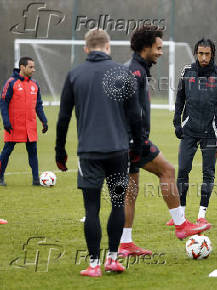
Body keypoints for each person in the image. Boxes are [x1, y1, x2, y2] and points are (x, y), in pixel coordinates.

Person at [55, 29, 143, 277]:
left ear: (86, 49)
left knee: (91, 209)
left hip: (89, 154)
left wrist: (60, 152)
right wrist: (136, 148)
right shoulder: (123, 73)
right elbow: (136, 116)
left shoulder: (74, 75)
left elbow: (63, 118)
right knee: (117, 204)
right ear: (108, 47)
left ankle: (94, 264)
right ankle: (113, 259)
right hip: (118, 152)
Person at [120, 27, 211, 256]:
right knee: (168, 171)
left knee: (130, 192)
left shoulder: (136, 69)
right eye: (158, 48)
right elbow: (131, 112)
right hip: (133, 141)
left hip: (124, 141)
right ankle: (181, 225)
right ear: (146, 47)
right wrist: (138, 141)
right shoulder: (136, 73)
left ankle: (125, 243)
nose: (160, 52)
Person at [171, 38, 217, 226]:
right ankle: (180, 215)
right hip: (189, 129)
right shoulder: (187, 72)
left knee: (208, 173)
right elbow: (180, 98)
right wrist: (177, 122)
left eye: (207, 54)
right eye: (200, 53)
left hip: (211, 132)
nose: (203, 57)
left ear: (212, 54)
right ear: (196, 53)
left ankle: (201, 214)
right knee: (183, 170)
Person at [0, 57, 48, 186]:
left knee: (33, 151)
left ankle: (36, 180)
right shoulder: (11, 82)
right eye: (31, 67)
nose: (34, 69)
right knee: (7, 151)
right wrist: (6, 121)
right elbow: (3, 102)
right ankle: (0, 177)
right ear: (22, 67)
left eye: (34, 67)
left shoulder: (34, 84)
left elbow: (38, 105)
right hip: (14, 125)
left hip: (30, 125)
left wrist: (44, 120)